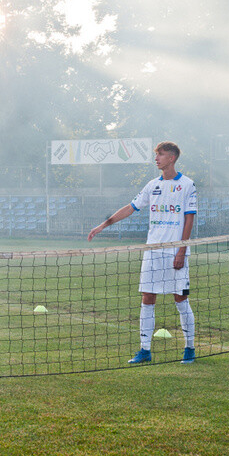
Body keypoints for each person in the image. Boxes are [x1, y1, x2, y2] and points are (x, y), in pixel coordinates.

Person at [88, 141, 197, 364]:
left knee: (180, 299)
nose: (156, 158)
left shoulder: (187, 185)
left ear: (172, 158)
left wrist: (181, 251)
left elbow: (189, 219)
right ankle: (144, 350)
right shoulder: (152, 185)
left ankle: (189, 348)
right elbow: (130, 207)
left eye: (161, 155)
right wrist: (103, 225)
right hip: (152, 251)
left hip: (175, 251)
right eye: (156, 154)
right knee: (147, 298)